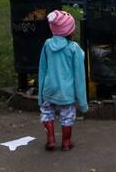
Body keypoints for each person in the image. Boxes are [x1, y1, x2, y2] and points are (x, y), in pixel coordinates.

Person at [38, 10, 88, 151]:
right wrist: (83, 103)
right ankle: (66, 143)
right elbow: (79, 76)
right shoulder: (74, 48)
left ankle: (51, 139)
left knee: (47, 114)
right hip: (66, 93)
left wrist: (40, 95)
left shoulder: (47, 45)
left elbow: (42, 69)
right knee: (67, 117)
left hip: (49, 89)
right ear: (69, 31)